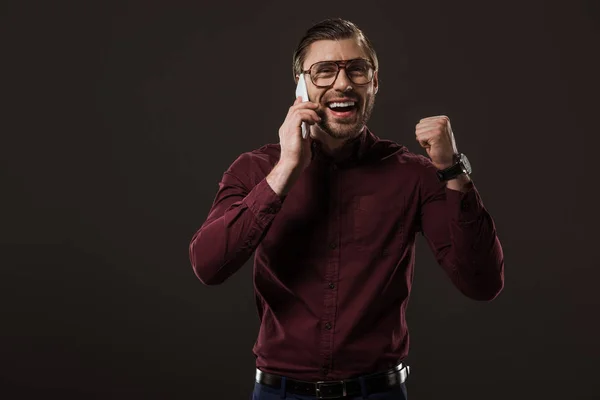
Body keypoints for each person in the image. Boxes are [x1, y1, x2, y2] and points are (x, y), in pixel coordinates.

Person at [189, 17, 504, 400]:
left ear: (373, 83)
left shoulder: (414, 175)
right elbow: (208, 266)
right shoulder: (255, 169)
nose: (342, 84)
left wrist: (452, 169)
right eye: (324, 71)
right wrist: (286, 170)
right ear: (301, 85)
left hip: (379, 393)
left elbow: (482, 283)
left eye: (357, 70)